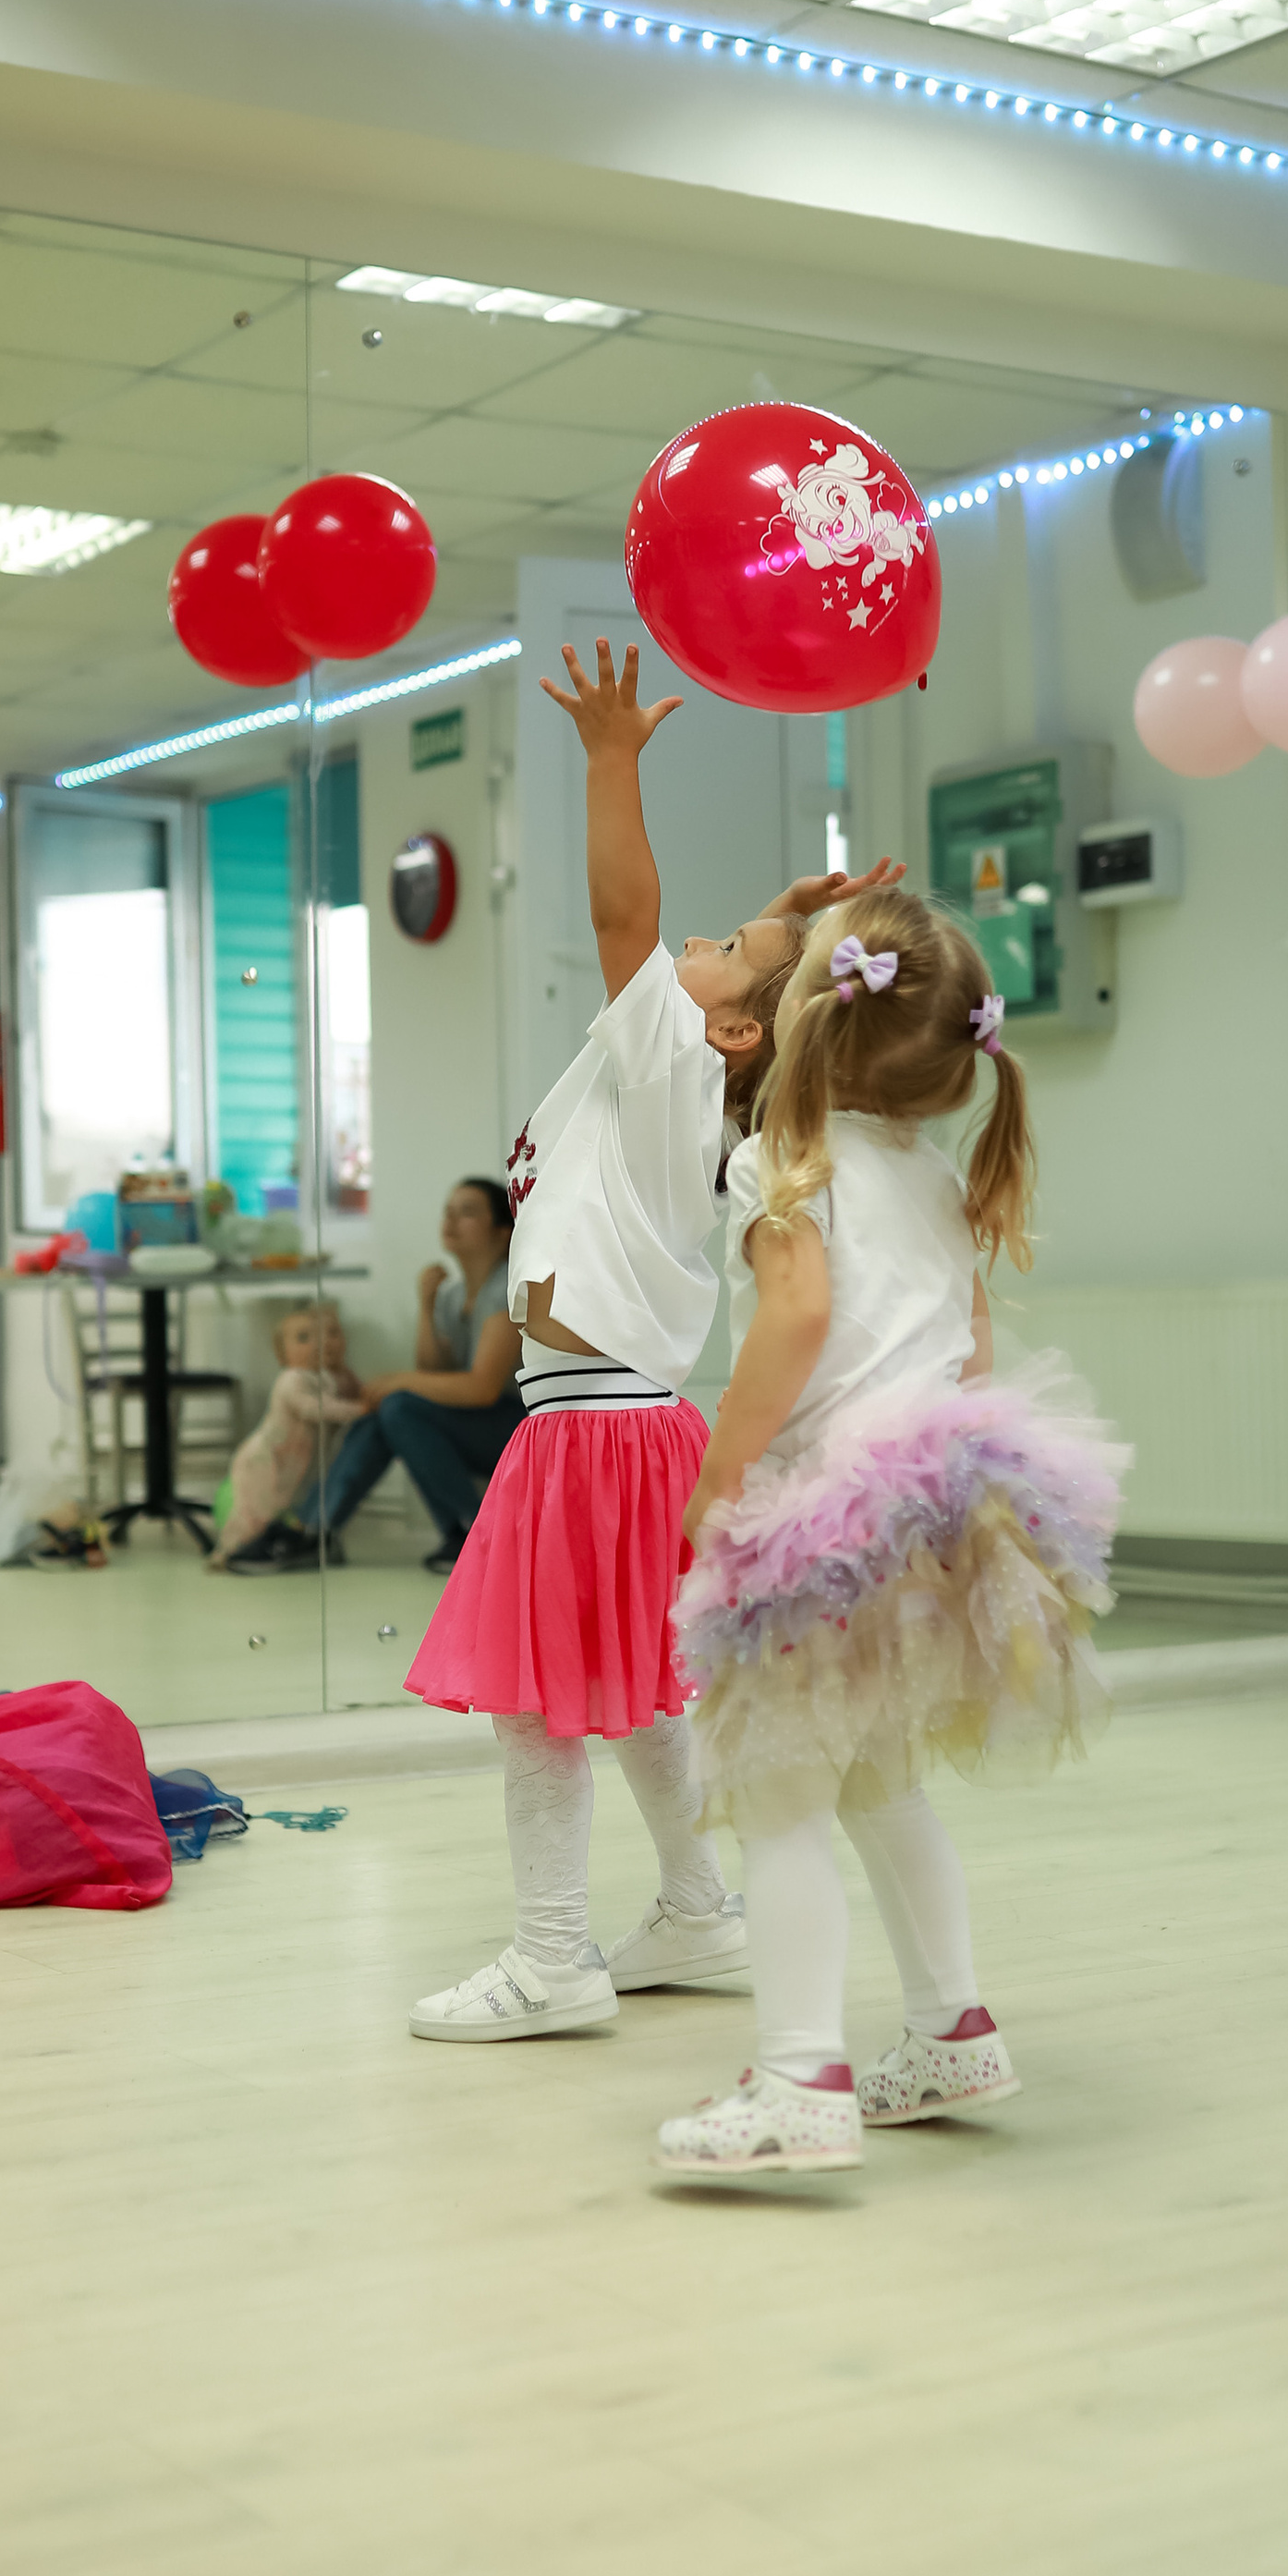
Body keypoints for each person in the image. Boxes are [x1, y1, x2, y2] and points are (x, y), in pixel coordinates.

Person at [406, 634, 901, 2042]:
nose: (694, 944)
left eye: (721, 952)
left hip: (592, 1421)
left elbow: (630, 909)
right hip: (629, 1414)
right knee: (624, 1689)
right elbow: (704, 968)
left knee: (542, 1706)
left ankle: (553, 1959)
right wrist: (787, 927)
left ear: (733, 1030)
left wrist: (611, 761)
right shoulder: (692, 1080)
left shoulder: (663, 1054)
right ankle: (696, 1908)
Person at [654, 889, 1126, 2181]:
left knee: (781, 1799)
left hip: (823, 1516)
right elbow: (968, 1345)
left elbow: (794, 1321)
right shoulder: (928, 1170)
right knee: (880, 1780)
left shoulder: (780, 1159)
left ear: (812, 1016)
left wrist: (723, 1471)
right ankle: (951, 2027)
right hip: (928, 1507)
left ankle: (799, 2081)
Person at [232, 1180, 521, 1574]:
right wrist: (426, 1305)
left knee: (399, 1405)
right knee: (393, 1411)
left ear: (503, 1231)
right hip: (481, 1425)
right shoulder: (455, 1295)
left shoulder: (507, 1287)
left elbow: (482, 1389)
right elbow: (435, 1374)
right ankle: (314, 1530)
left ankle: (475, 1534)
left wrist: (397, 1382)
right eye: (448, 1210)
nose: (450, 1220)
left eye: (467, 1211)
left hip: (517, 1428)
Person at [211, 1301, 366, 1569]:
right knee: (255, 1508)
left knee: (289, 1505)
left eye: (329, 1335)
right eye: (304, 1338)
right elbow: (314, 1408)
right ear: (282, 1355)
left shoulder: (330, 1378)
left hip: (294, 1462)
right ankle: (230, 1551)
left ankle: (289, 1543)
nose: (319, 1344)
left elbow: (352, 1389)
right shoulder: (291, 1379)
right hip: (265, 1459)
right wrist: (361, 1410)